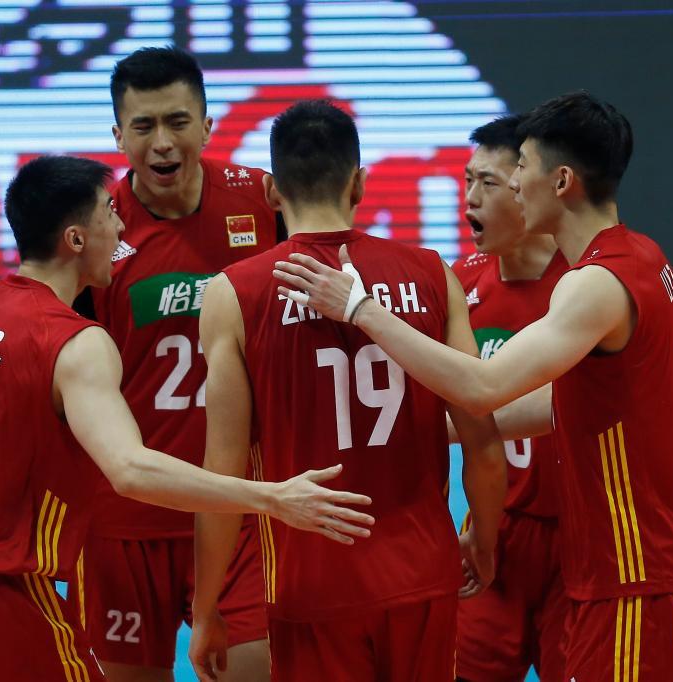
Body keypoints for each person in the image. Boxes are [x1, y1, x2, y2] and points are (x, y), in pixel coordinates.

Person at [274, 91, 673, 681]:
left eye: (520, 170)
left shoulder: (593, 284)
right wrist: (425, 430)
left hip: (639, 578)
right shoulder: (646, 257)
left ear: (561, 182)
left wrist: (360, 308)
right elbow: (568, 404)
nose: (511, 185)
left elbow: (483, 387)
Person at [0, 155, 373, 682]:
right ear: (76, 239)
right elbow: (130, 470)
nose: (120, 226)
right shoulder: (74, 342)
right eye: (107, 213)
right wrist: (272, 497)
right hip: (0, 598)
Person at [189, 99, 507, 682]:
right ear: (359, 183)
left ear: (271, 192)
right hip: (421, 574)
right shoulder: (432, 274)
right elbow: (483, 442)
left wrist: (207, 606)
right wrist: (483, 541)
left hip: (311, 583)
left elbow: (223, 473)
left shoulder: (234, 293)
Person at [69, 46, 281, 682]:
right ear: (118, 136)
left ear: (208, 125)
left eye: (178, 122)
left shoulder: (263, 202)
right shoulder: (96, 231)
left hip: (237, 508)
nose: (162, 143)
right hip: (124, 521)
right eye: (143, 126)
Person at [453, 114, 569, 682]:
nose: (470, 199)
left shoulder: (589, 284)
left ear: (527, 190)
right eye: (466, 181)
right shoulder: (460, 284)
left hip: (584, 538)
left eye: (489, 183)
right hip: (494, 530)